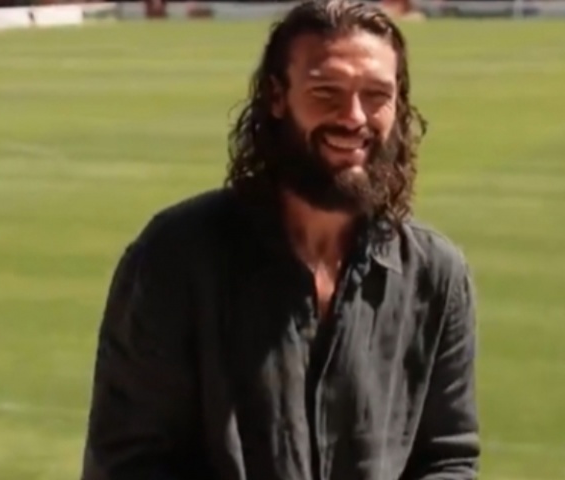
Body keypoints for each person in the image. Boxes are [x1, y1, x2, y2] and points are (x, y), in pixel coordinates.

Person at [79, 0, 480, 479]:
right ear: (276, 96)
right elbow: (127, 462)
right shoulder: (176, 257)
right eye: (326, 91)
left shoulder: (436, 275)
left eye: (376, 95)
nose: (353, 117)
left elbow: (447, 457)